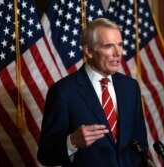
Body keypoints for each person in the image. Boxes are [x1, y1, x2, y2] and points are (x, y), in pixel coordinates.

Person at [37, 18, 148, 167]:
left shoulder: (130, 87)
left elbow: (140, 145)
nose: (118, 53)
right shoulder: (63, 92)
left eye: (120, 45)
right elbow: (45, 154)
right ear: (88, 51)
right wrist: (72, 141)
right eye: (109, 46)